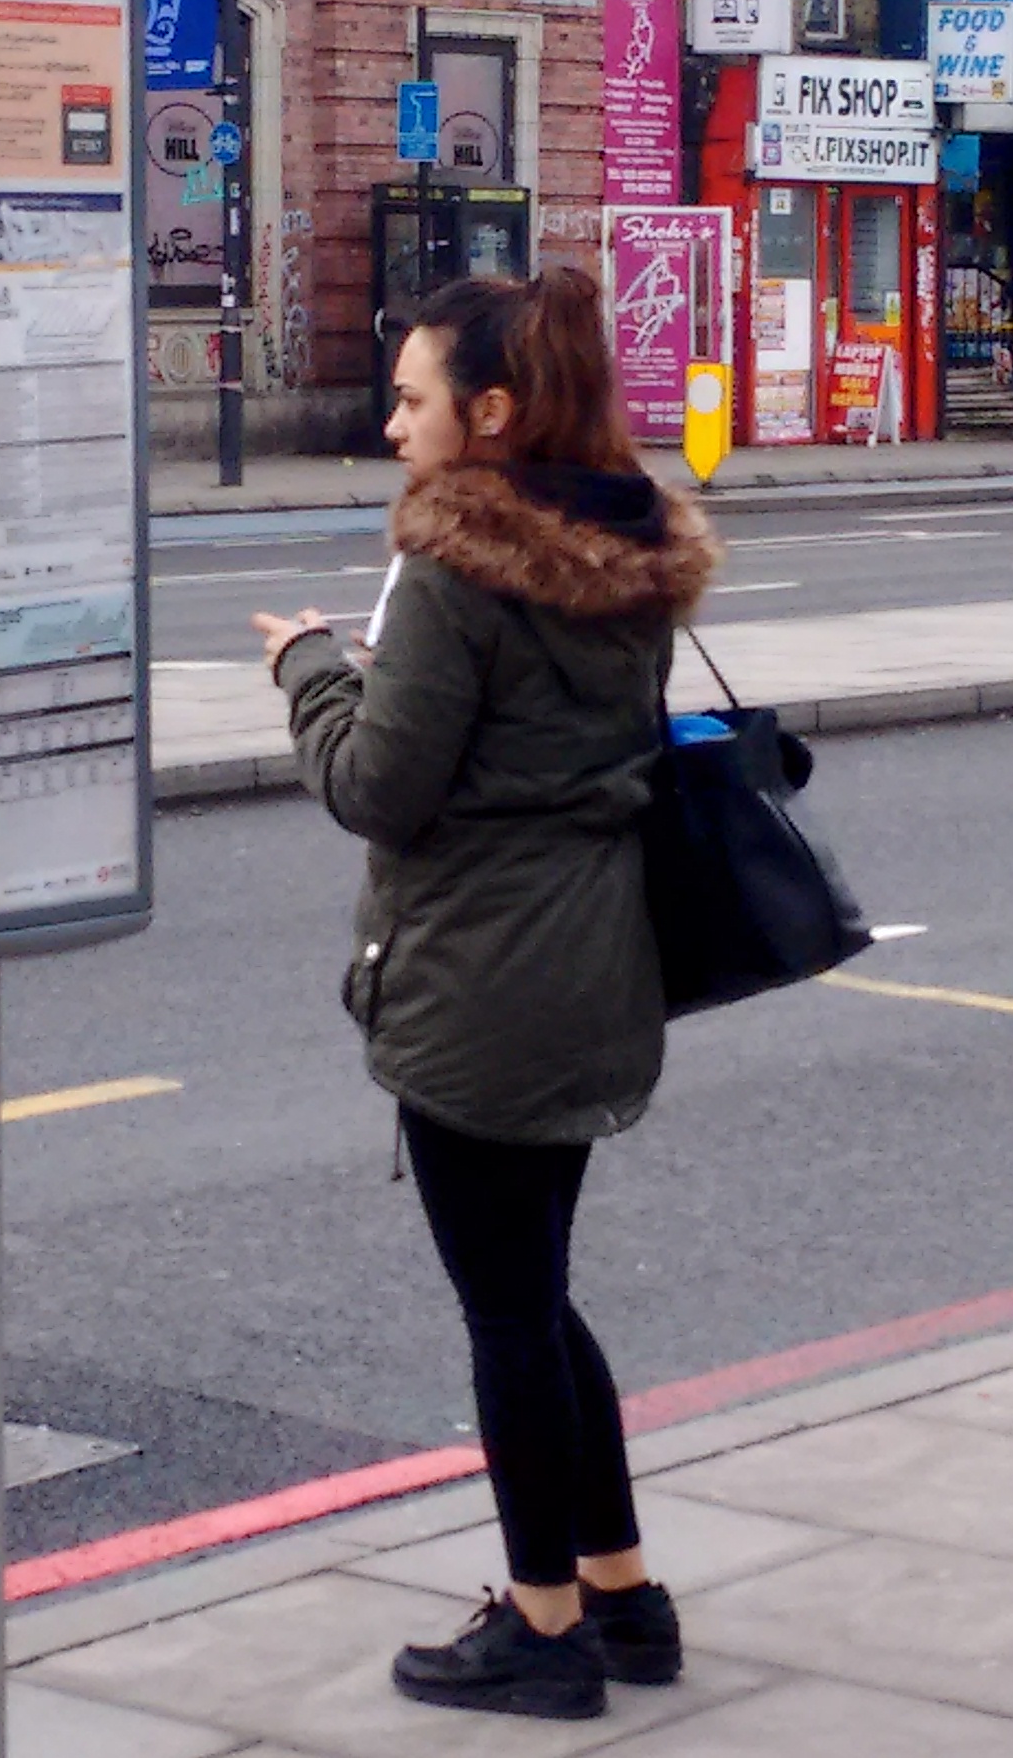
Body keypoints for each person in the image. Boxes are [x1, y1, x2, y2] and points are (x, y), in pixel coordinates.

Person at [248, 267, 718, 1723]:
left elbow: (379, 791)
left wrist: (313, 670)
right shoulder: (623, 546)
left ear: (492, 411)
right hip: (592, 962)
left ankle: (544, 1629)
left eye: (412, 397)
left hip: (481, 987)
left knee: (508, 1318)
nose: (393, 425)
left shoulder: (456, 567)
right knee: (540, 1295)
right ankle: (625, 1598)